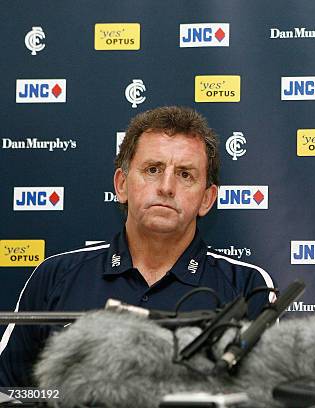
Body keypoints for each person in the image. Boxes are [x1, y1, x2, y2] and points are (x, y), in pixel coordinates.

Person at [0, 106, 274, 387]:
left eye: (185, 174)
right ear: (121, 185)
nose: (167, 187)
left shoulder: (247, 287)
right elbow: (7, 391)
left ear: (207, 199)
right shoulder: (55, 277)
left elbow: (269, 397)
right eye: (152, 169)